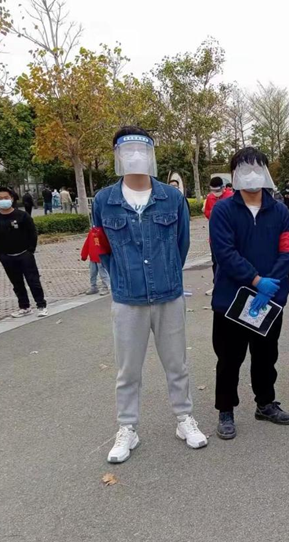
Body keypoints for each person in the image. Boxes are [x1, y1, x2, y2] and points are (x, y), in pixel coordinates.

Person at [92, 125, 207, 464]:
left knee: (177, 364)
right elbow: (103, 249)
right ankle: (128, 427)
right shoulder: (105, 201)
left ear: (151, 154)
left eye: (141, 149)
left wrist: (167, 272)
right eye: (127, 150)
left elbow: (181, 243)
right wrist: (123, 278)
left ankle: (184, 419)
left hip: (169, 295)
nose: (135, 156)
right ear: (117, 155)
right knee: (127, 370)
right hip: (128, 299)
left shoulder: (171, 198)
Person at [210, 147, 289, 440]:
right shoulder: (223, 210)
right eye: (244, 169)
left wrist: (273, 282)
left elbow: (288, 248)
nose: (251, 175)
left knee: (266, 355)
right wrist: (256, 280)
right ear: (234, 175)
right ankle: (226, 410)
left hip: (269, 300)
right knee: (229, 359)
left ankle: (265, 403)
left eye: (257, 168)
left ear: (266, 172)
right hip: (231, 300)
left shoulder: (280, 210)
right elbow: (224, 252)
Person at [0, 187, 48, 318]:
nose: (3, 200)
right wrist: (0, 255)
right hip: (7, 257)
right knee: (17, 283)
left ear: (12, 198)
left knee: (33, 281)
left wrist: (30, 250)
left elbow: (32, 233)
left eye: (6, 198)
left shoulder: (22, 216)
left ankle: (41, 305)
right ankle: (24, 306)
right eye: (0, 198)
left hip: (25, 255)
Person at [81, 226, 110, 296]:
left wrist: (108, 254)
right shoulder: (91, 232)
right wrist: (84, 255)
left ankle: (106, 287)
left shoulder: (102, 232)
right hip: (93, 258)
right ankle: (93, 287)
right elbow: (87, 244)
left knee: (103, 274)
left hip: (101, 258)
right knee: (92, 274)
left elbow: (106, 244)